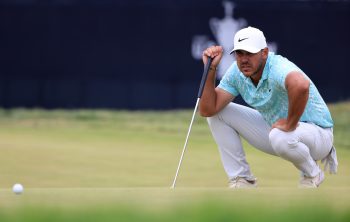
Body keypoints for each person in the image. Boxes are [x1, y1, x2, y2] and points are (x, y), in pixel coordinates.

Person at [199, 26, 337, 188]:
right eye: (239, 53)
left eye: (249, 53)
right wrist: (211, 68)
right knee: (218, 114)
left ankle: (312, 174)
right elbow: (208, 109)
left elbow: (300, 85)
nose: (243, 59)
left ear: (264, 52)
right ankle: (242, 179)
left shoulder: (278, 67)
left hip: (318, 135)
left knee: (280, 135)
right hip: (278, 134)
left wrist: (290, 123)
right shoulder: (237, 72)